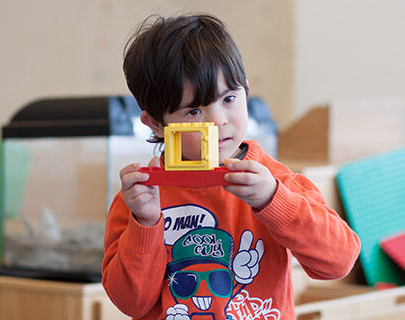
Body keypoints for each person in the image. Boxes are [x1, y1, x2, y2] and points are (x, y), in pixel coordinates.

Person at [102, 13, 361, 320]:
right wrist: (145, 223)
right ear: (156, 124)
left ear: (246, 93)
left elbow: (339, 261)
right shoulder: (143, 197)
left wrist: (273, 200)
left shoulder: (276, 182)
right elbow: (130, 303)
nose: (217, 121)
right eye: (194, 110)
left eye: (228, 98)